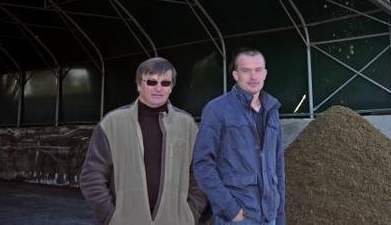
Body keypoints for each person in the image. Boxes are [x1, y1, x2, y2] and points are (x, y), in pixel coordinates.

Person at [80, 57, 207, 225]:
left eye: (165, 83)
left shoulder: (187, 125)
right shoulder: (112, 123)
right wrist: (111, 217)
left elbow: (200, 173)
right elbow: (92, 175)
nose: (158, 88)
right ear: (139, 85)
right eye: (152, 82)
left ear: (171, 88)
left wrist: (189, 215)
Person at [193, 48, 285, 225]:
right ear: (235, 75)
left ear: (265, 73)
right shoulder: (217, 110)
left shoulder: (272, 111)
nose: (253, 76)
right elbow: (202, 164)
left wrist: (279, 215)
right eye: (246, 71)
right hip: (238, 218)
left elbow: (278, 165)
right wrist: (231, 210)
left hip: (269, 216)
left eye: (258, 70)